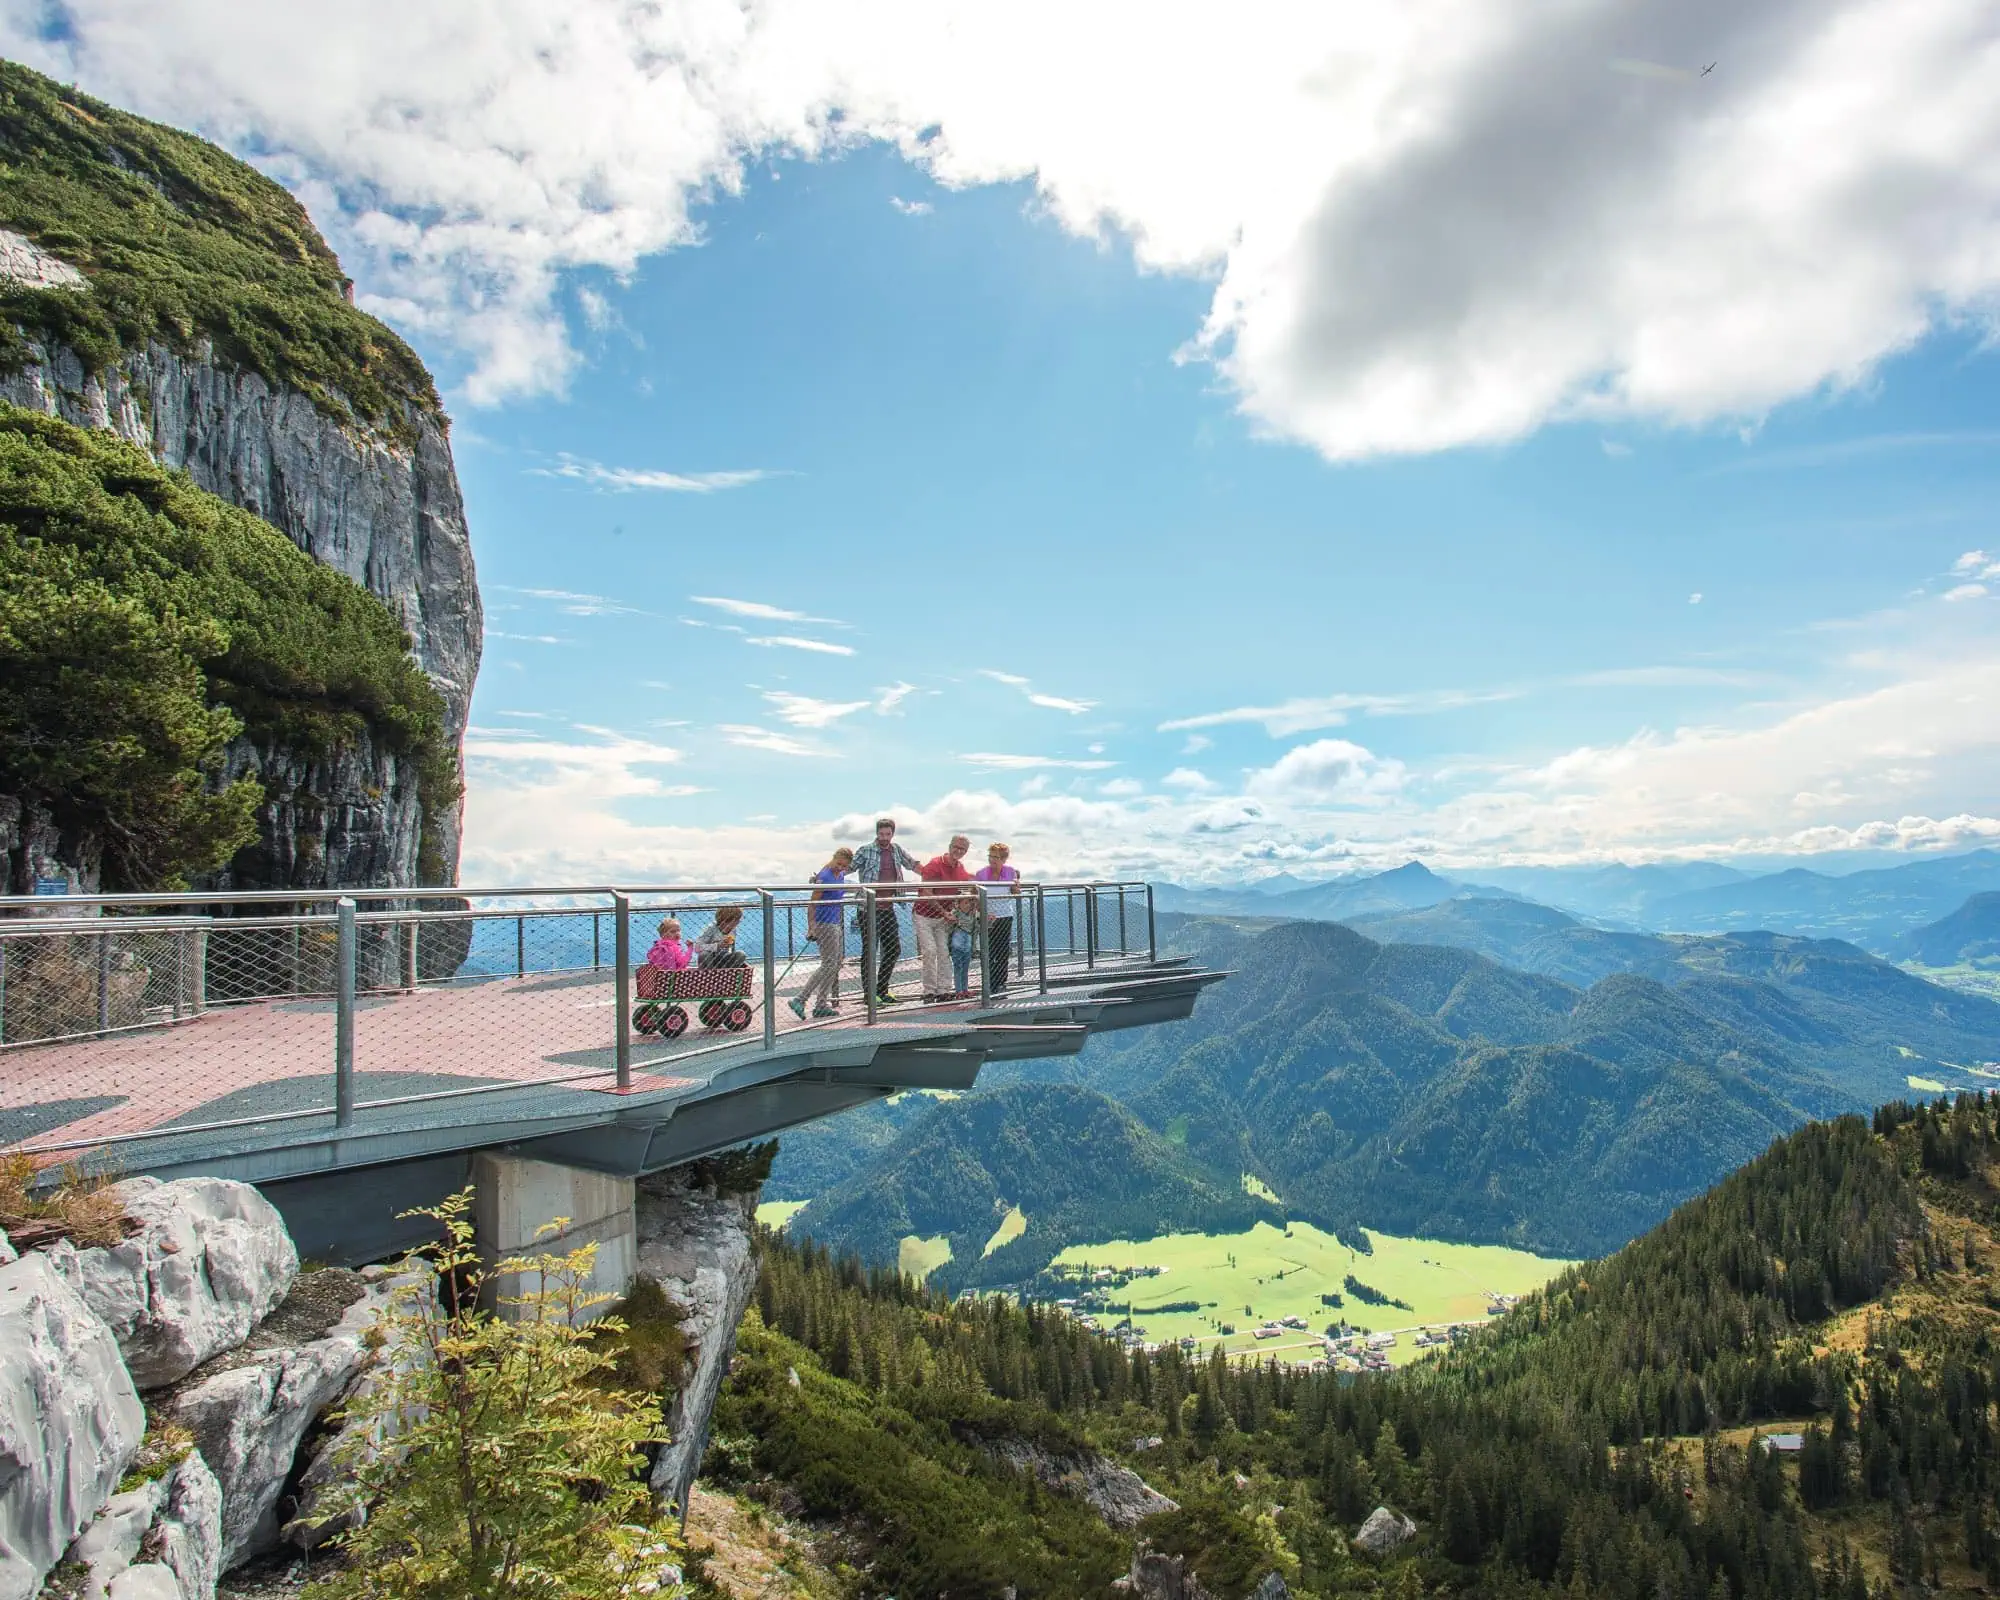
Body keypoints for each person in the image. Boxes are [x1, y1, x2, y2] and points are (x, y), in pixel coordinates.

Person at [849, 817, 921, 1004]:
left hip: (888, 907)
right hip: (868, 908)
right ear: (876, 833)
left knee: (893, 949)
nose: (884, 838)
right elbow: (848, 867)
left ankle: (882, 990)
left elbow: (913, 864)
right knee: (870, 951)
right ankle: (869, 995)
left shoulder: (896, 850)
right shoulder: (866, 850)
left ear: (892, 834)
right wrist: (825, 876)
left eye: (888, 834)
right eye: (881, 834)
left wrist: (934, 876)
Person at [792, 847, 853, 1020]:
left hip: (835, 921)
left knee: (835, 963)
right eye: (839, 864)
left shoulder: (839, 875)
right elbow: (812, 903)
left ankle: (820, 1003)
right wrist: (811, 926)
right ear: (834, 858)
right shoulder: (824, 876)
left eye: (844, 866)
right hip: (824, 923)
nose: (840, 868)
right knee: (828, 963)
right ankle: (801, 998)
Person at [915, 834, 974, 1000]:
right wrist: (943, 912)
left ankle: (944, 990)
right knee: (929, 951)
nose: (958, 851)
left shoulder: (960, 868)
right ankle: (929, 990)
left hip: (943, 918)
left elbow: (968, 882)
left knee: (943, 952)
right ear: (949, 846)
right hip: (924, 915)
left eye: (962, 849)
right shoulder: (935, 864)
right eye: (956, 847)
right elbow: (927, 892)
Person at [974, 842, 1021, 994]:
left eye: (996, 857)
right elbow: (976, 897)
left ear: (1003, 859)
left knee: (1002, 951)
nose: (992, 860)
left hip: (1004, 916)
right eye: (990, 856)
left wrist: (1015, 885)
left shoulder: (1010, 872)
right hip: (987, 918)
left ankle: (1001, 982)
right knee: (988, 951)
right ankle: (989, 982)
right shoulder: (981, 873)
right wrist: (984, 913)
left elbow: (1016, 893)